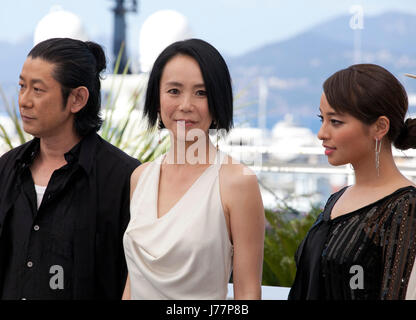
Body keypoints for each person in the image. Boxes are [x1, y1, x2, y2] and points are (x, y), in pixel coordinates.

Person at [122, 38, 265, 300]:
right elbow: (134, 279)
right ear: (157, 97)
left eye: (201, 93)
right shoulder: (140, 177)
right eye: (174, 91)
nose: (186, 105)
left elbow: (247, 290)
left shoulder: (237, 182)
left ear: (218, 100)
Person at [0, 38, 140, 300]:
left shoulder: (124, 178)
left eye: (38, 90)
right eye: (22, 86)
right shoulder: (6, 170)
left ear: (77, 98)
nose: (24, 100)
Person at [288, 63, 416, 300]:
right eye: (321, 118)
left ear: (380, 127)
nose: (322, 133)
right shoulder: (337, 199)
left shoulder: (405, 207)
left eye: (335, 121)